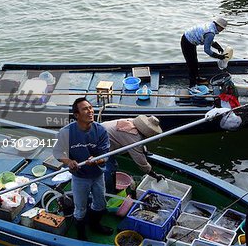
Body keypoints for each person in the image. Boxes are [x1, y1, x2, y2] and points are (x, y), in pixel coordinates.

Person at [53, 97, 112, 241]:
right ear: (76, 115)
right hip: (79, 177)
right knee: (80, 209)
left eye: (91, 108)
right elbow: (57, 152)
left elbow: (106, 156)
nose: (90, 111)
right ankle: (80, 234)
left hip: (97, 174)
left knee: (100, 203)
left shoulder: (100, 130)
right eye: (85, 109)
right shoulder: (66, 132)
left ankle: (95, 225)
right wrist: (68, 161)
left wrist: (97, 160)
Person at [101, 115, 165, 193]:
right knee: (109, 169)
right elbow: (141, 162)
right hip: (99, 143)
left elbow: (140, 143)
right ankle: (108, 191)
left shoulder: (132, 121)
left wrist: (144, 150)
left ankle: (110, 187)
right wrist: (154, 175)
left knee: (113, 165)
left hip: (104, 134)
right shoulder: (134, 137)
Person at [180, 18, 228, 93]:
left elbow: (208, 40)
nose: (222, 30)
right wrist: (219, 56)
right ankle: (192, 86)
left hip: (190, 40)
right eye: (222, 28)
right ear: (218, 25)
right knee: (191, 64)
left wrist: (218, 46)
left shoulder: (211, 27)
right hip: (187, 41)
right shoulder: (211, 33)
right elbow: (207, 50)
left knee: (195, 61)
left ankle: (197, 78)